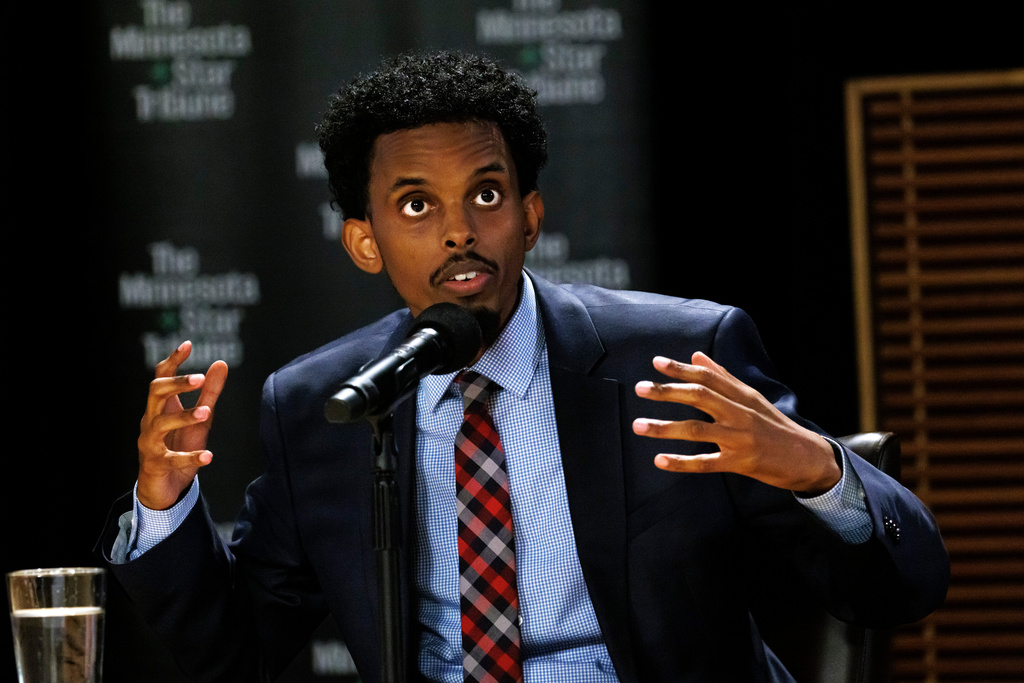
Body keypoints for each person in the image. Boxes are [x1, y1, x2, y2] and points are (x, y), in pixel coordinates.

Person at [99, 50, 949, 683]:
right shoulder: (326, 405)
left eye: (487, 193)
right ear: (364, 240)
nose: (460, 229)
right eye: (417, 204)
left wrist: (817, 471)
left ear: (531, 216)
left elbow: (900, 591)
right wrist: (163, 504)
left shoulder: (678, 359)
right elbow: (236, 650)